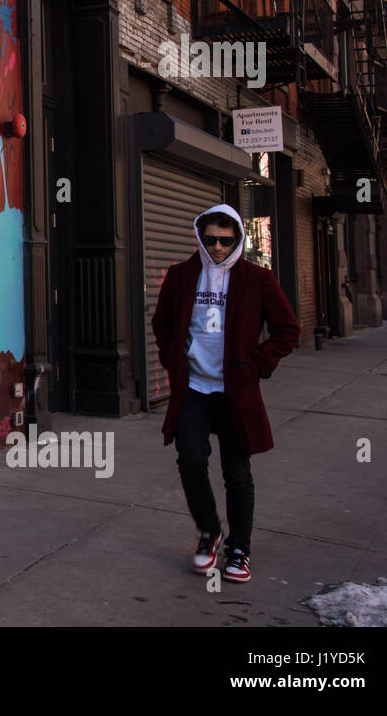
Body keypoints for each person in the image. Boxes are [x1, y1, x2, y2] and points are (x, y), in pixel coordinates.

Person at [151, 202, 300, 583]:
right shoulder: (183, 275)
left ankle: (240, 549)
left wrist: (257, 365)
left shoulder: (257, 279)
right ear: (200, 237)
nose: (217, 248)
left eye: (226, 241)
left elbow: (288, 330)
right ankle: (209, 532)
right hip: (194, 389)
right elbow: (162, 322)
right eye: (211, 239)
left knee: (237, 472)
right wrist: (173, 360)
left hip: (235, 391)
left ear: (239, 240)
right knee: (190, 461)